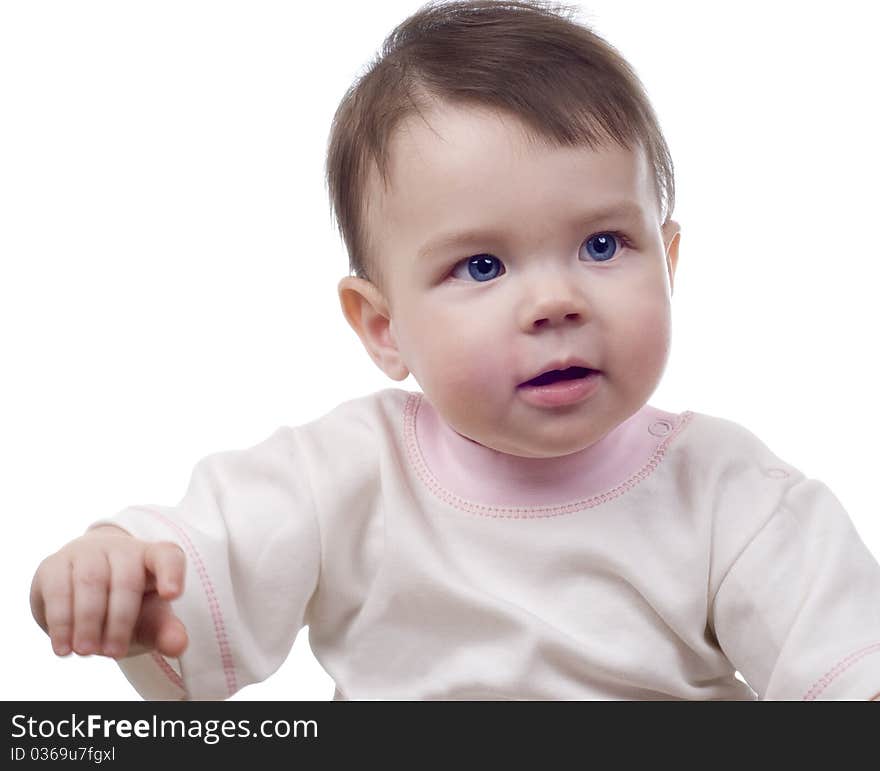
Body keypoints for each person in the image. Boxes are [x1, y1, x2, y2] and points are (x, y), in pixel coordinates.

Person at [29, 0, 880, 700]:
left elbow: (845, 664)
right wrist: (124, 570)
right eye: (482, 264)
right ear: (381, 326)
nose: (555, 301)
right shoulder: (346, 475)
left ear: (671, 261)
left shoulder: (733, 496)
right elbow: (204, 551)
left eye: (603, 245)